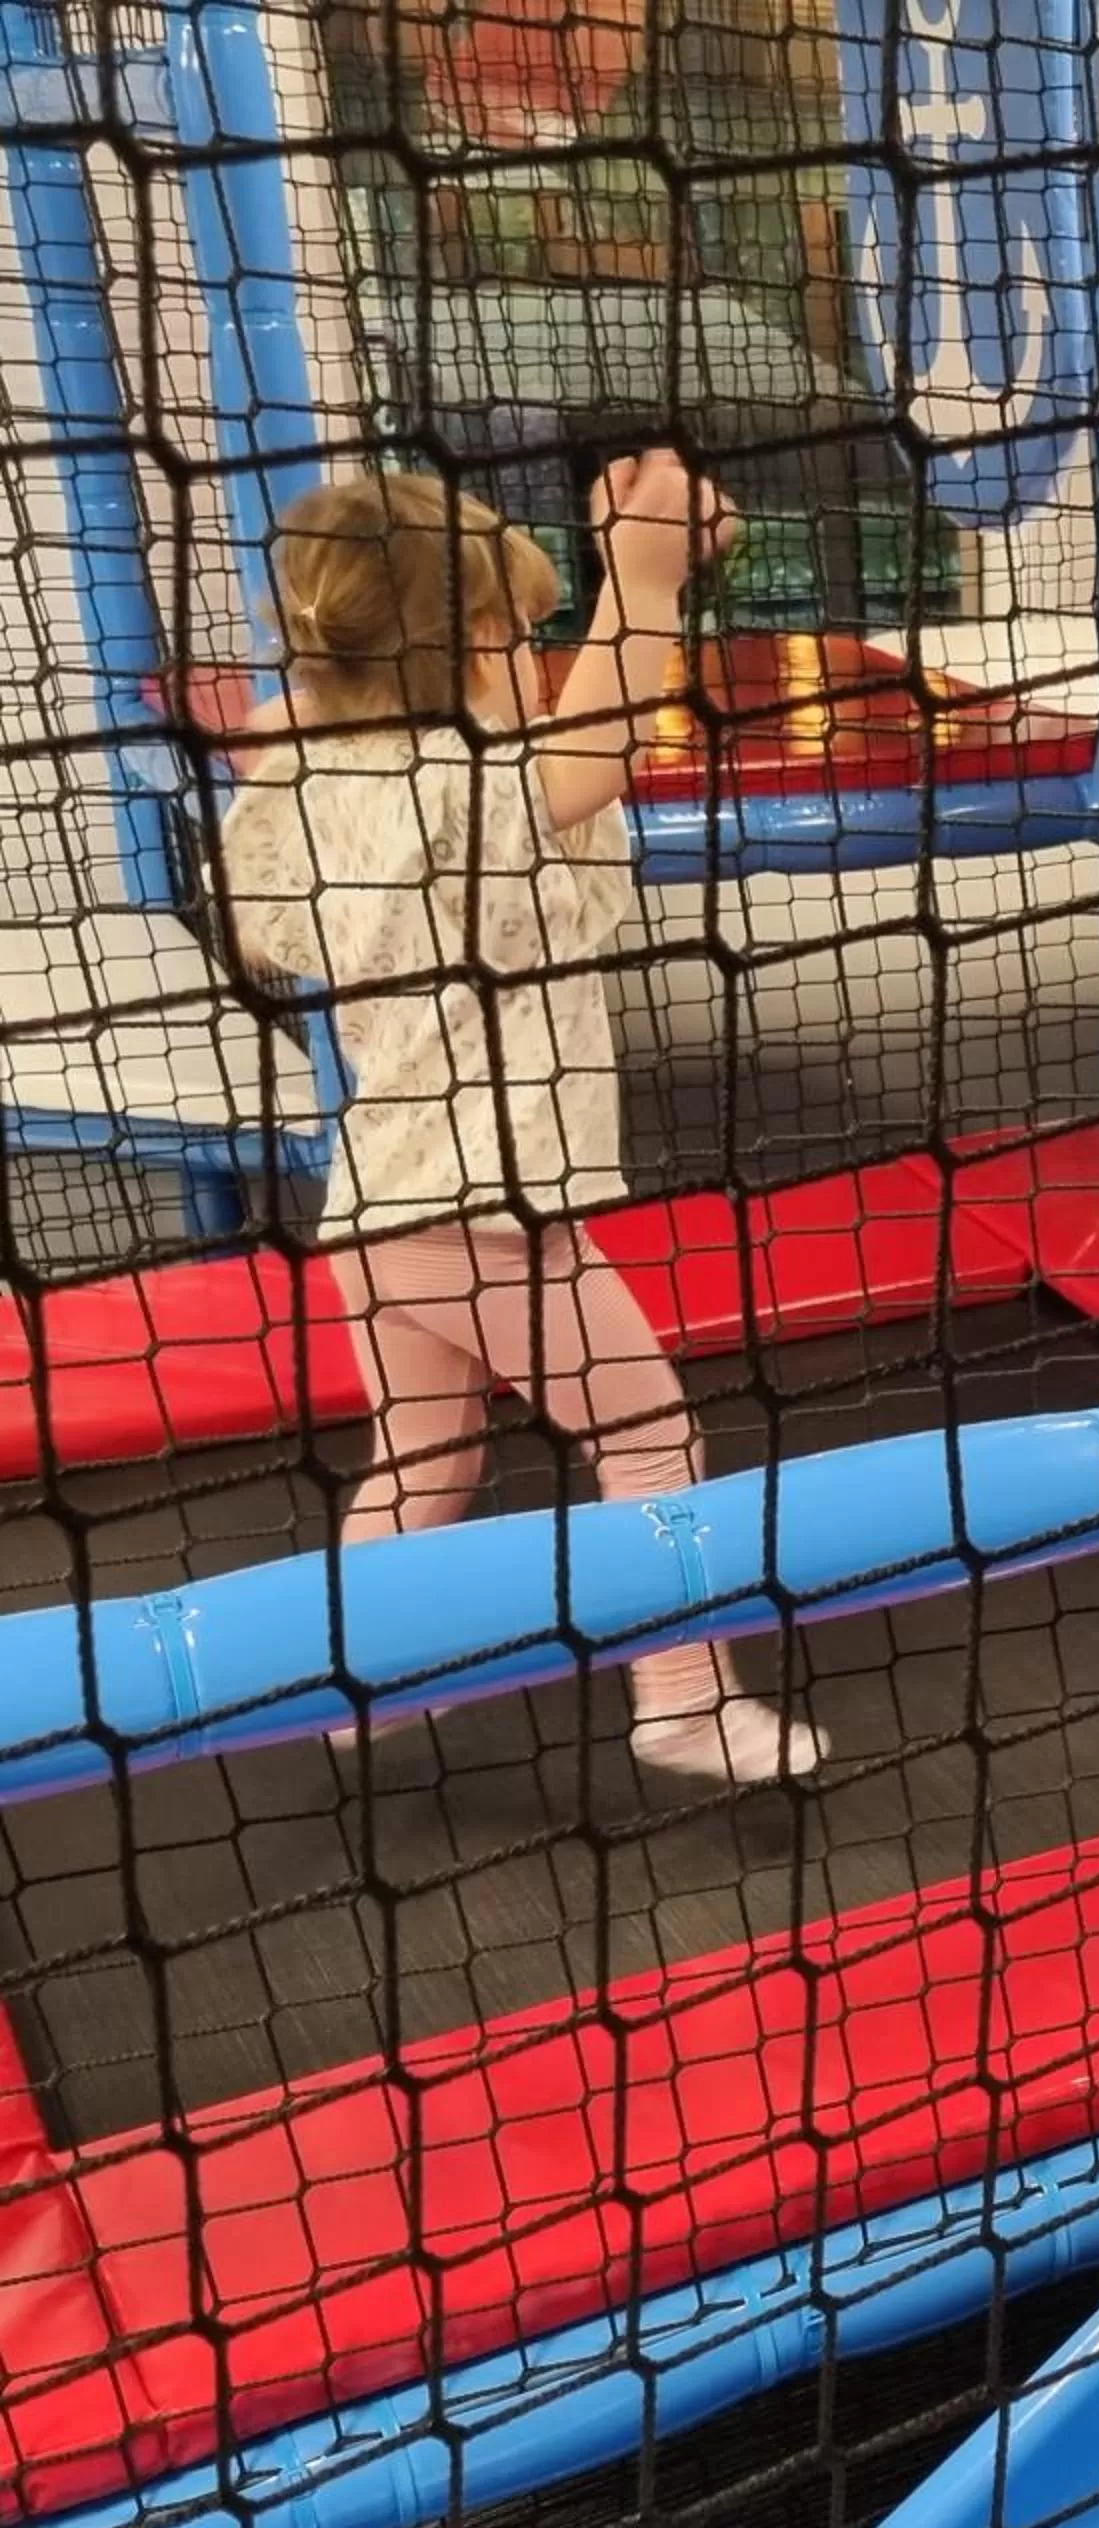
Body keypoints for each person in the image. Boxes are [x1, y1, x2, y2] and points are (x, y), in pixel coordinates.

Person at [211, 455, 824, 1785]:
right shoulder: (453, 790)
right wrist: (640, 574)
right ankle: (683, 1700)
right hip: (488, 1209)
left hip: (376, 1208)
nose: (531, 661)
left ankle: (351, 1683)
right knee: (648, 1436)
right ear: (474, 642)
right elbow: (593, 748)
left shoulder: (328, 780)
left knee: (425, 1459)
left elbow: (325, 751)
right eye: (516, 635)